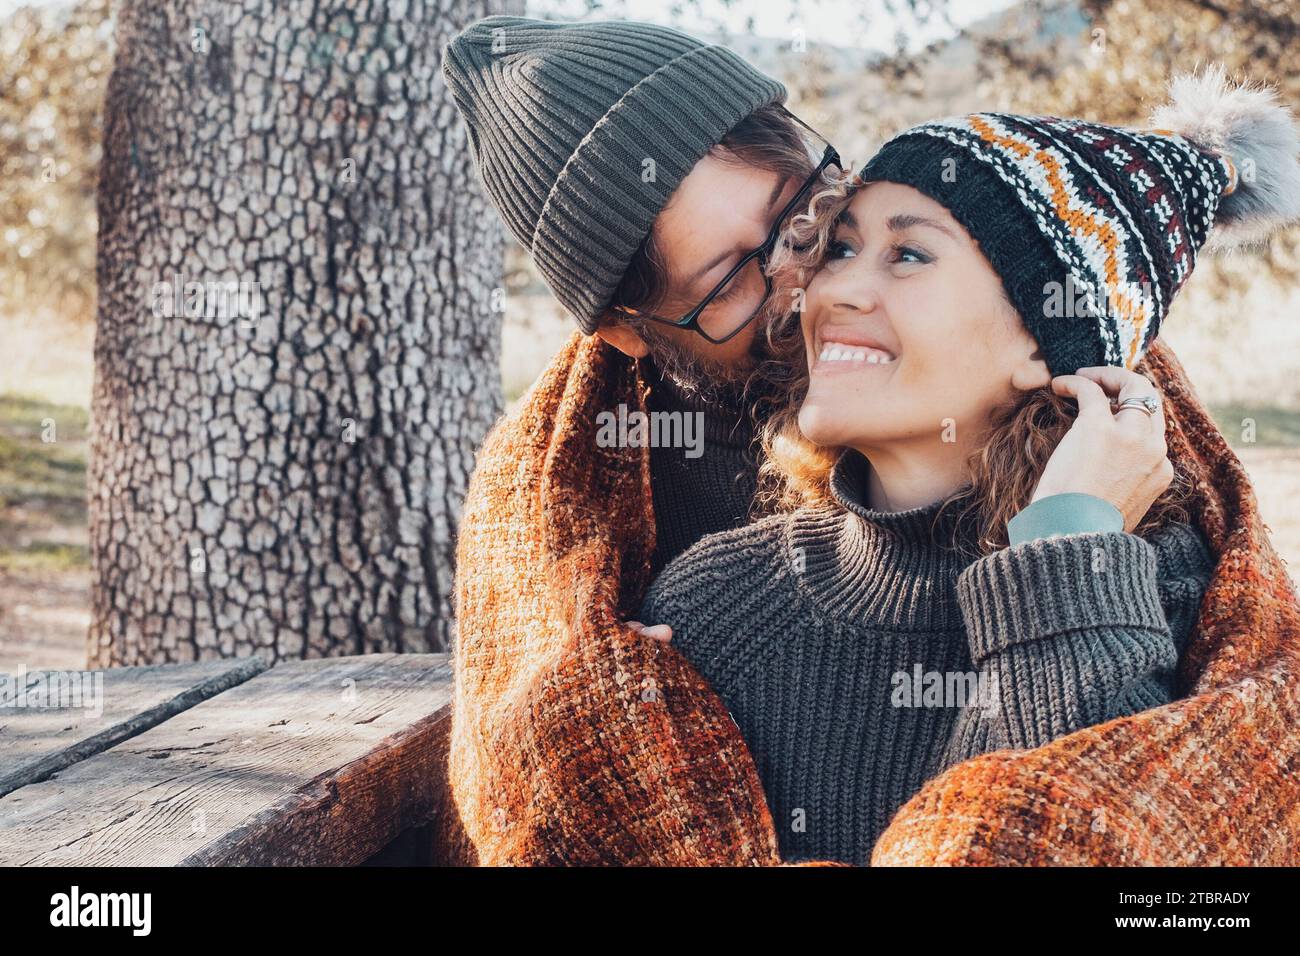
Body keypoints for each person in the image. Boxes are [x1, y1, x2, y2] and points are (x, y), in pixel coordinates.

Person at [441, 15, 1300, 866]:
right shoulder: (629, 525)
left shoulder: (1139, 503)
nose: (808, 275)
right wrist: (604, 739)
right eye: (732, 277)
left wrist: (1071, 546)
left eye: (805, 213)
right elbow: (533, 748)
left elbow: (1160, 802)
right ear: (635, 336)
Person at [639, 93, 1300, 864]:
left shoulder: (1177, 600)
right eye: (841, 250)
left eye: (909, 255)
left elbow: (1077, 850)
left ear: (1043, 344)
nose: (835, 291)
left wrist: (1068, 548)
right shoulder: (717, 604)